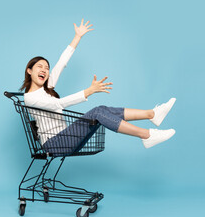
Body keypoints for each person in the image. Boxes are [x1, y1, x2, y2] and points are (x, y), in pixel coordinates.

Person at [20, 19, 176, 155]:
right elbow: (58, 104)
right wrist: (89, 91)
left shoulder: (46, 88)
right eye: (39, 67)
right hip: (55, 144)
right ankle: (147, 135)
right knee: (98, 112)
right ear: (29, 70)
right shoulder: (30, 98)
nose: (44, 70)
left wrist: (77, 36)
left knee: (100, 109)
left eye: (47, 68)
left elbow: (61, 63)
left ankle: (152, 114)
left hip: (66, 138)